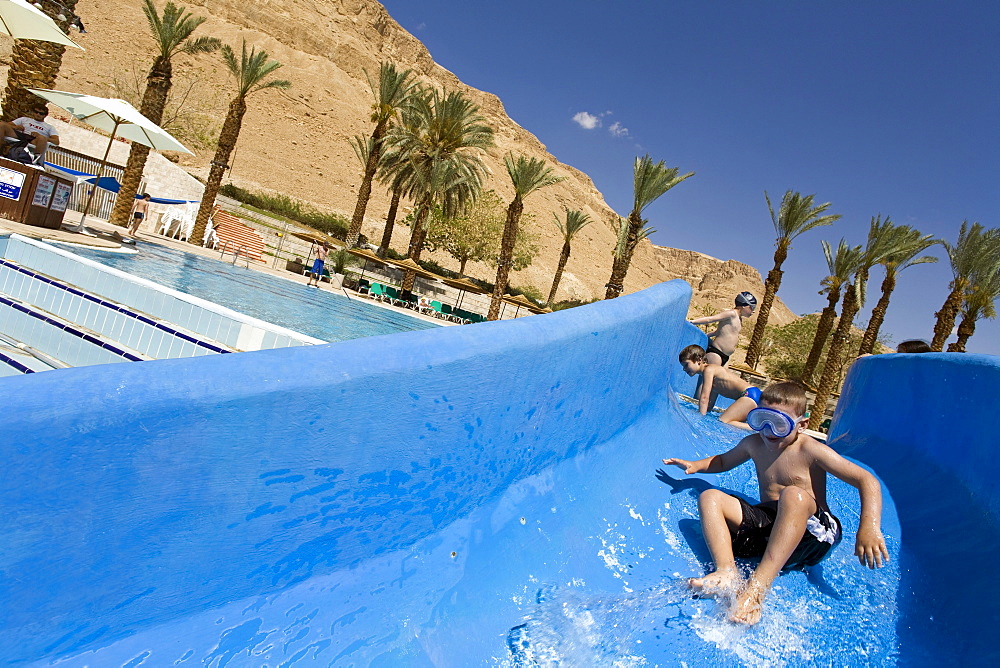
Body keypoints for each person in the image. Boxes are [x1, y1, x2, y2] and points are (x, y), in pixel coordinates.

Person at [661, 381, 888, 626]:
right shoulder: (753, 444)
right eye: (762, 420)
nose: (769, 430)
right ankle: (727, 572)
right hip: (774, 526)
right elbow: (723, 462)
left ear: (802, 425)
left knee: (793, 495)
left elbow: (867, 480)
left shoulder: (811, 449)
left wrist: (869, 527)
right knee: (710, 498)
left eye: (779, 423)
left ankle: (757, 588)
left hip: (815, 533)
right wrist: (696, 466)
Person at [679, 344, 761, 429]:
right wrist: (705, 412)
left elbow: (704, 398)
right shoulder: (714, 375)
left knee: (723, 421)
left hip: (748, 395)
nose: (684, 369)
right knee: (729, 420)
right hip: (752, 395)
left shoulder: (708, 370)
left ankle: (757, 428)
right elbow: (709, 405)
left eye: (686, 365)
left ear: (699, 360)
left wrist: (700, 420)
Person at [687, 291, 757, 366]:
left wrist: (706, 336)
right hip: (716, 352)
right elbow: (711, 319)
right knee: (712, 376)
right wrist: (692, 322)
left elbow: (718, 332)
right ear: (744, 305)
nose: (753, 311)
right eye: (752, 307)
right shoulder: (732, 314)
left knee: (719, 377)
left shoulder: (739, 319)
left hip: (726, 356)